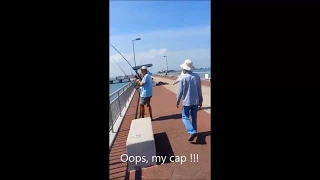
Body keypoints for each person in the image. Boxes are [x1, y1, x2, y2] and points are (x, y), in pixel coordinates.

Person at [176, 59, 203, 141]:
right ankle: (194, 131)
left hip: (187, 101)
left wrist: (177, 101)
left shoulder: (183, 78)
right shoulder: (197, 76)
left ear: (184, 68)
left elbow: (179, 91)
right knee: (194, 118)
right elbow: (199, 89)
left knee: (184, 117)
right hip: (195, 101)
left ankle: (192, 131)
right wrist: (200, 100)